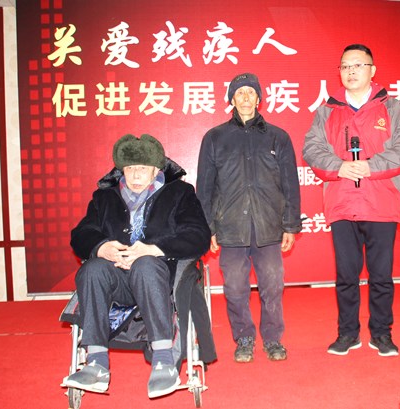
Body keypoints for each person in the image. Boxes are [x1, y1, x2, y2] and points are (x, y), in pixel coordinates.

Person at [62, 134, 211, 397]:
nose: (135, 174)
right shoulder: (104, 197)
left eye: (143, 168)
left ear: (156, 169)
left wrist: (154, 249)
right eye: (130, 168)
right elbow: (81, 234)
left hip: (159, 277)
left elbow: (198, 235)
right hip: (117, 279)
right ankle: (96, 363)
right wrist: (102, 247)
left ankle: (163, 360)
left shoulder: (180, 193)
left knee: (145, 265)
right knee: (92, 269)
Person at [302, 44, 400, 357]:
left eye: (357, 65)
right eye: (345, 66)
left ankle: (381, 334)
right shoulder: (326, 111)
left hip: (381, 203)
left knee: (381, 276)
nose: (350, 71)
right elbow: (312, 149)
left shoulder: (392, 108)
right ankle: (347, 334)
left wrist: (371, 166)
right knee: (346, 275)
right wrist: (339, 167)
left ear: (372, 70)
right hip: (342, 203)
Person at [196, 73, 302, 363]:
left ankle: (272, 338)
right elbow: (204, 188)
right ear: (231, 99)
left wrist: (290, 225)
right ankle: (244, 338)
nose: (245, 97)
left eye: (250, 92)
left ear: (259, 98)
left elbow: (290, 184)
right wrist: (208, 228)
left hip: (269, 226)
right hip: (230, 227)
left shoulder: (278, 137)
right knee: (234, 288)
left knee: (272, 285)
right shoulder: (215, 138)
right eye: (239, 92)